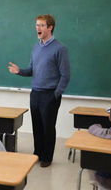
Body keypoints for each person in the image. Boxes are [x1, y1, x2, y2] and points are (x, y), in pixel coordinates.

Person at [8, 14, 70, 167]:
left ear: (50, 27)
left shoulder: (60, 48)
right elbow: (32, 70)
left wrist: (56, 94)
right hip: (35, 93)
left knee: (48, 127)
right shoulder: (36, 47)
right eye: (37, 25)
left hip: (50, 94)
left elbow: (65, 75)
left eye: (42, 25)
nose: (38, 28)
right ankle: (38, 154)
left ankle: (47, 158)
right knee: (37, 126)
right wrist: (19, 71)